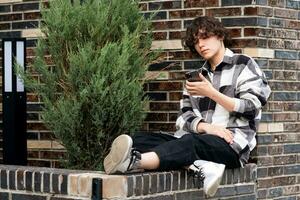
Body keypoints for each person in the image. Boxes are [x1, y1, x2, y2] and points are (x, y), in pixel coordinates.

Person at [103, 16, 271, 197]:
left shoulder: (243, 64)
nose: (201, 45)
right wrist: (207, 127)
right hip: (197, 140)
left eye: (205, 37)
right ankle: (199, 164)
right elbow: (183, 118)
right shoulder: (196, 77)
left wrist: (212, 93)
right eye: (196, 42)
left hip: (232, 146)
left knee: (190, 142)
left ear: (220, 36)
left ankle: (135, 162)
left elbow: (252, 106)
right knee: (140, 139)